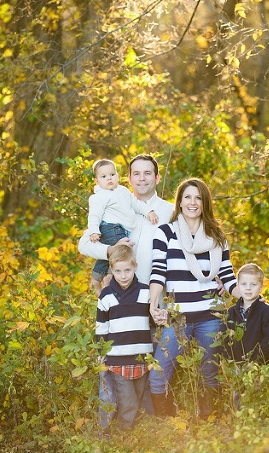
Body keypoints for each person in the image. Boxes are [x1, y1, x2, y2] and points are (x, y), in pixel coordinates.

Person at [78, 154, 174, 421]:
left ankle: (146, 421)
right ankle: (107, 424)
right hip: (119, 296)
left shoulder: (168, 211)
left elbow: (183, 248)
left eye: (148, 173)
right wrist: (110, 251)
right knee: (113, 359)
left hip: (152, 298)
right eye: (136, 173)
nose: (142, 178)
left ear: (157, 177)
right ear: (129, 177)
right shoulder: (116, 202)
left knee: (148, 359)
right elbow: (83, 244)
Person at [148, 178, 241, 419]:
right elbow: (158, 272)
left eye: (198, 198)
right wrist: (153, 304)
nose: (193, 202)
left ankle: (209, 420)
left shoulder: (216, 236)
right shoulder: (165, 233)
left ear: (205, 202)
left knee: (210, 373)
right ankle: (167, 423)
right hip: (176, 317)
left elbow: (227, 276)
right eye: (187, 197)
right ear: (179, 202)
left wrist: (249, 298)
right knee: (158, 374)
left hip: (211, 316)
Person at [95, 244, 153, 433]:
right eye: (118, 271)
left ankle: (140, 434)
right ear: (111, 270)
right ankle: (122, 435)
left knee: (140, 397)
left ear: (135, 267)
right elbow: (101, 326)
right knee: (128, 402)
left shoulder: (145, 292)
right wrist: (101, 352)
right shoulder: (106, 295)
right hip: (117, 359)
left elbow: (153, 321)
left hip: (142, 357)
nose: (123, 276)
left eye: (127, 270)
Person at [86, 158, 159, 296]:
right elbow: (94, 215)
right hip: (110, 228)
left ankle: (97, 278)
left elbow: (136, 204)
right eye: (103, 176)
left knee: (110, 254)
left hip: (121, 229)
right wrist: (93, 231)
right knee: (122, 251)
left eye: (112, 174)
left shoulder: (123, 191)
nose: (109, 178)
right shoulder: (99, 197)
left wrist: (148, 212)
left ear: (118, 176)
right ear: (97, 181)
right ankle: (108, 277)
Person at [223, 263, 269, 364]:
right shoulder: (231, 312)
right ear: (238, 286)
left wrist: (256, 361)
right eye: (244, 284)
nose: (248, 288)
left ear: (261, 287)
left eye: (253, 284)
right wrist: (231, 361)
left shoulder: (266, 312)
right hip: (235, 365)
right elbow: (225, 339)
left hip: (260, 366)